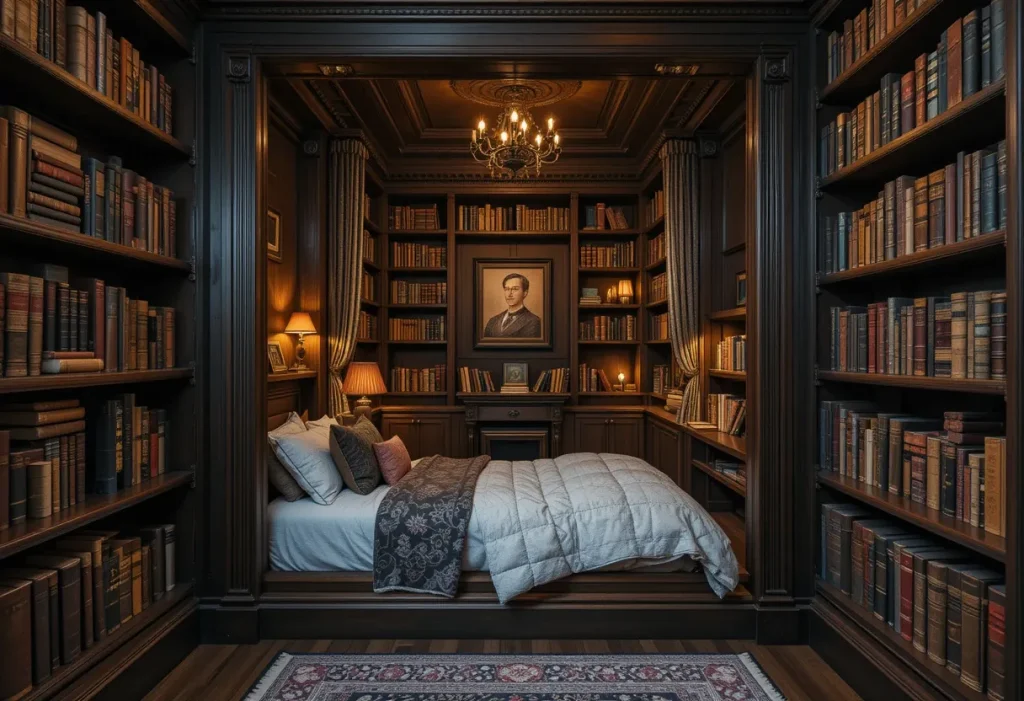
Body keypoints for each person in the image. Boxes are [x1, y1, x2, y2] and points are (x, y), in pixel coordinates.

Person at [483, 273, 542, 338]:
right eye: (507, 289)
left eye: (515, 289)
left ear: (525, 293)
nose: (509, 294)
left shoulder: (533, 321)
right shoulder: (493, 321)